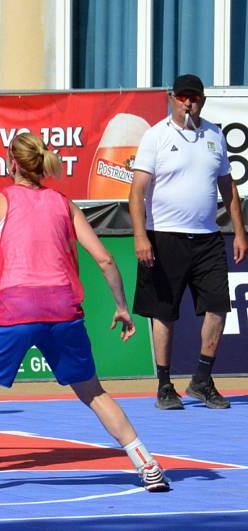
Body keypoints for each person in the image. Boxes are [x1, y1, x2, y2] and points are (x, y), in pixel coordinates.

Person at [0, 132, 170, 494]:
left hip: (17, 309)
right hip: (63, 311)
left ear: (12, 162)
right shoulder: (64, 202)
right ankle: (148, 464)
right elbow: (105, 259)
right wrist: (122, 307)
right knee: (93, 392)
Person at [129, 74, 247, 410]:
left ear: (203, 100)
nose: (188, 103)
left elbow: (228, 188)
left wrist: (239, 232)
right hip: (164, 235)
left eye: (194, 98)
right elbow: (136, 192)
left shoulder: (214, 135)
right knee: (164, 312)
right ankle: (165, 385)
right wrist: (140, 236)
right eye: (183, 98)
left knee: (218, 308)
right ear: (172, 99)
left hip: (208, 237)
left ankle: (201, 379)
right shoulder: (156, 136)